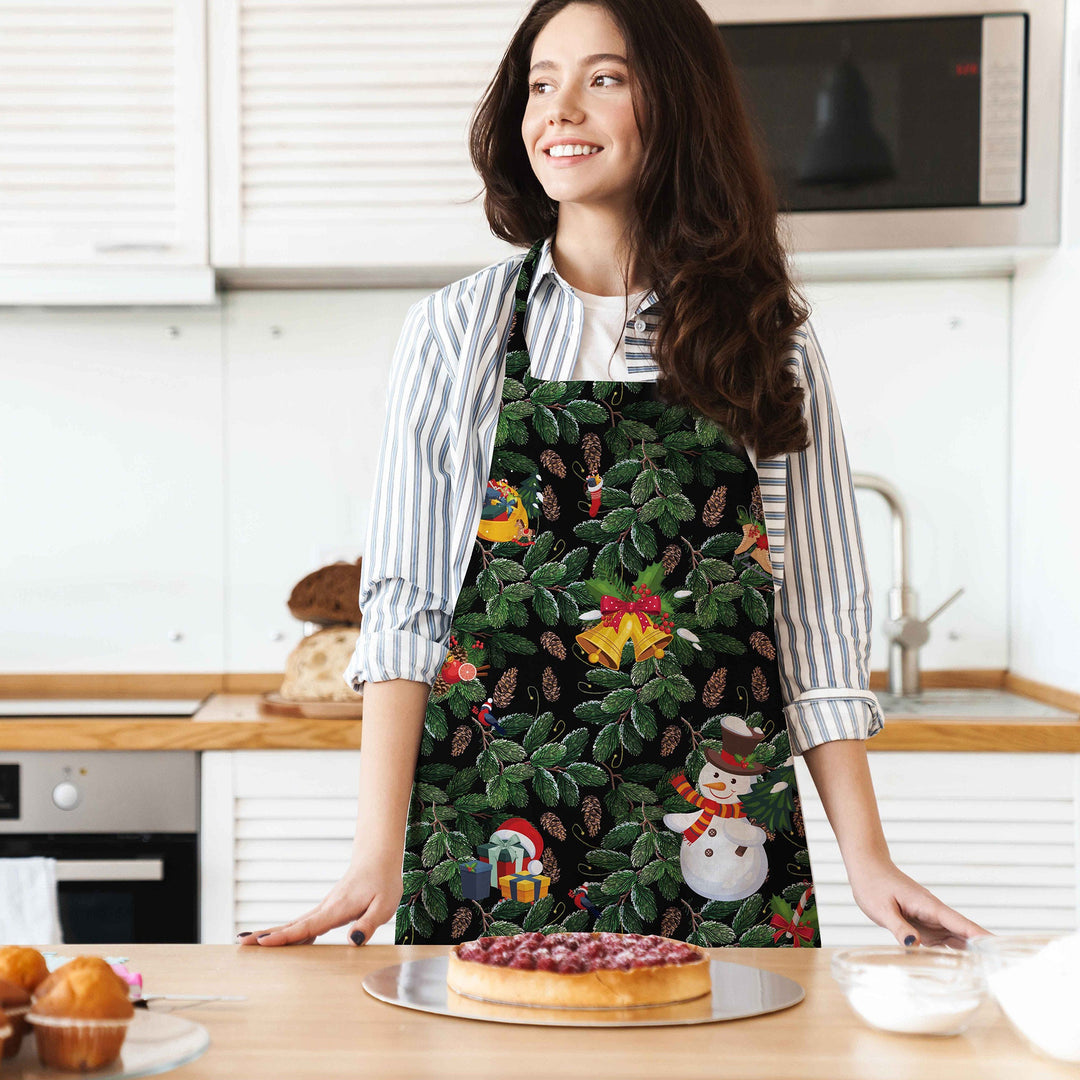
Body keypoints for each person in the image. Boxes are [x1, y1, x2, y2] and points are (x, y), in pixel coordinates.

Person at [239, 0, 988, 950]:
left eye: (604, 79)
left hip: (720, 850)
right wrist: (374, 852)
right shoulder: (456, 333)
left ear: (673, 103)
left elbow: (812, 616)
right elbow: (408, 606)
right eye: (540, 84)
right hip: (488, 838)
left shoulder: (763, 339)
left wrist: (869, 861)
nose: (560, 110)